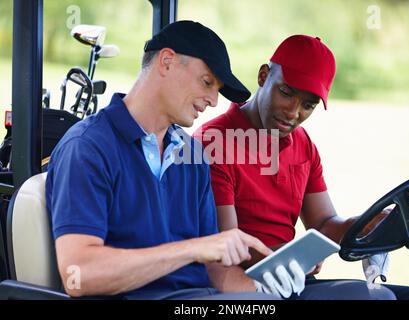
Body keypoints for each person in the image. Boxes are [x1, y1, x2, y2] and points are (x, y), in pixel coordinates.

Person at [194, 35, 409, 300]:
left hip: (296, 281)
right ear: (263, 76)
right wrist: (294, 257)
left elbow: (325, 223)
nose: (293, 113)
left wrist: (368, 225)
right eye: (286, 93)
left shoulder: (303, 144)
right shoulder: (215, 144)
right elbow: (225, 247)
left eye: (308, 105)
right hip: (249, 288)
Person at [45, 20, 277, 300]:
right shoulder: (88, 147)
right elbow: (78, 276)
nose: (214, 101)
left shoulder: (193, 156)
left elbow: (216, 269)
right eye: (207, 82)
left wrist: (264, 292)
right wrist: (193, 248)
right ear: (166, 61)